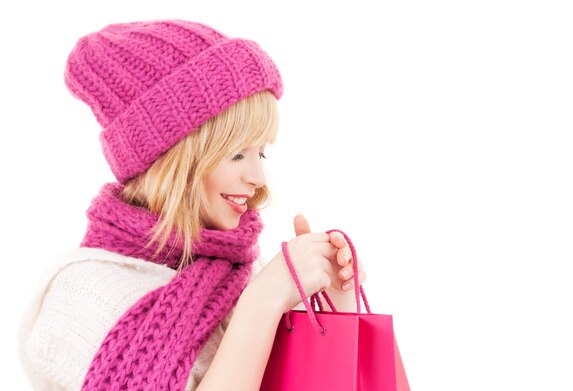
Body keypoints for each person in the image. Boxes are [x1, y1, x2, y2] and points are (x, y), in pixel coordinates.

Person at [18, 19, 365, 390]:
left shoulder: (234, 271)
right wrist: (263, 302)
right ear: (174, 159)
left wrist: (333, 300)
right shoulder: (84, 297)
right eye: (236, 154)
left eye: (260, 153)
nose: (259, 179)